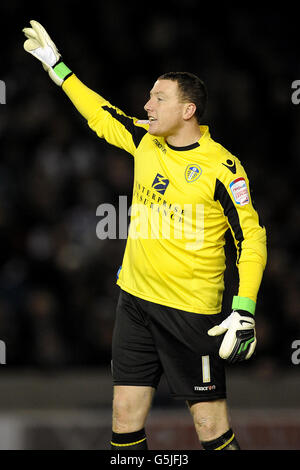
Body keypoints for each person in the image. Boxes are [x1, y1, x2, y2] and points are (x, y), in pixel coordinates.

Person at [22, 20, 267, 451]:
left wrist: (243, 308)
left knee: (210, 427)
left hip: (192, 314)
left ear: (188, 110)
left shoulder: (222, 169)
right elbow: (100, 114)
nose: (147, 104)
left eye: (159, 98)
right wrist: (56, 67)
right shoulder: (145, 140)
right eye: (149, 97)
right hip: (134, 302)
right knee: (123, 418)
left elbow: (252, 239)